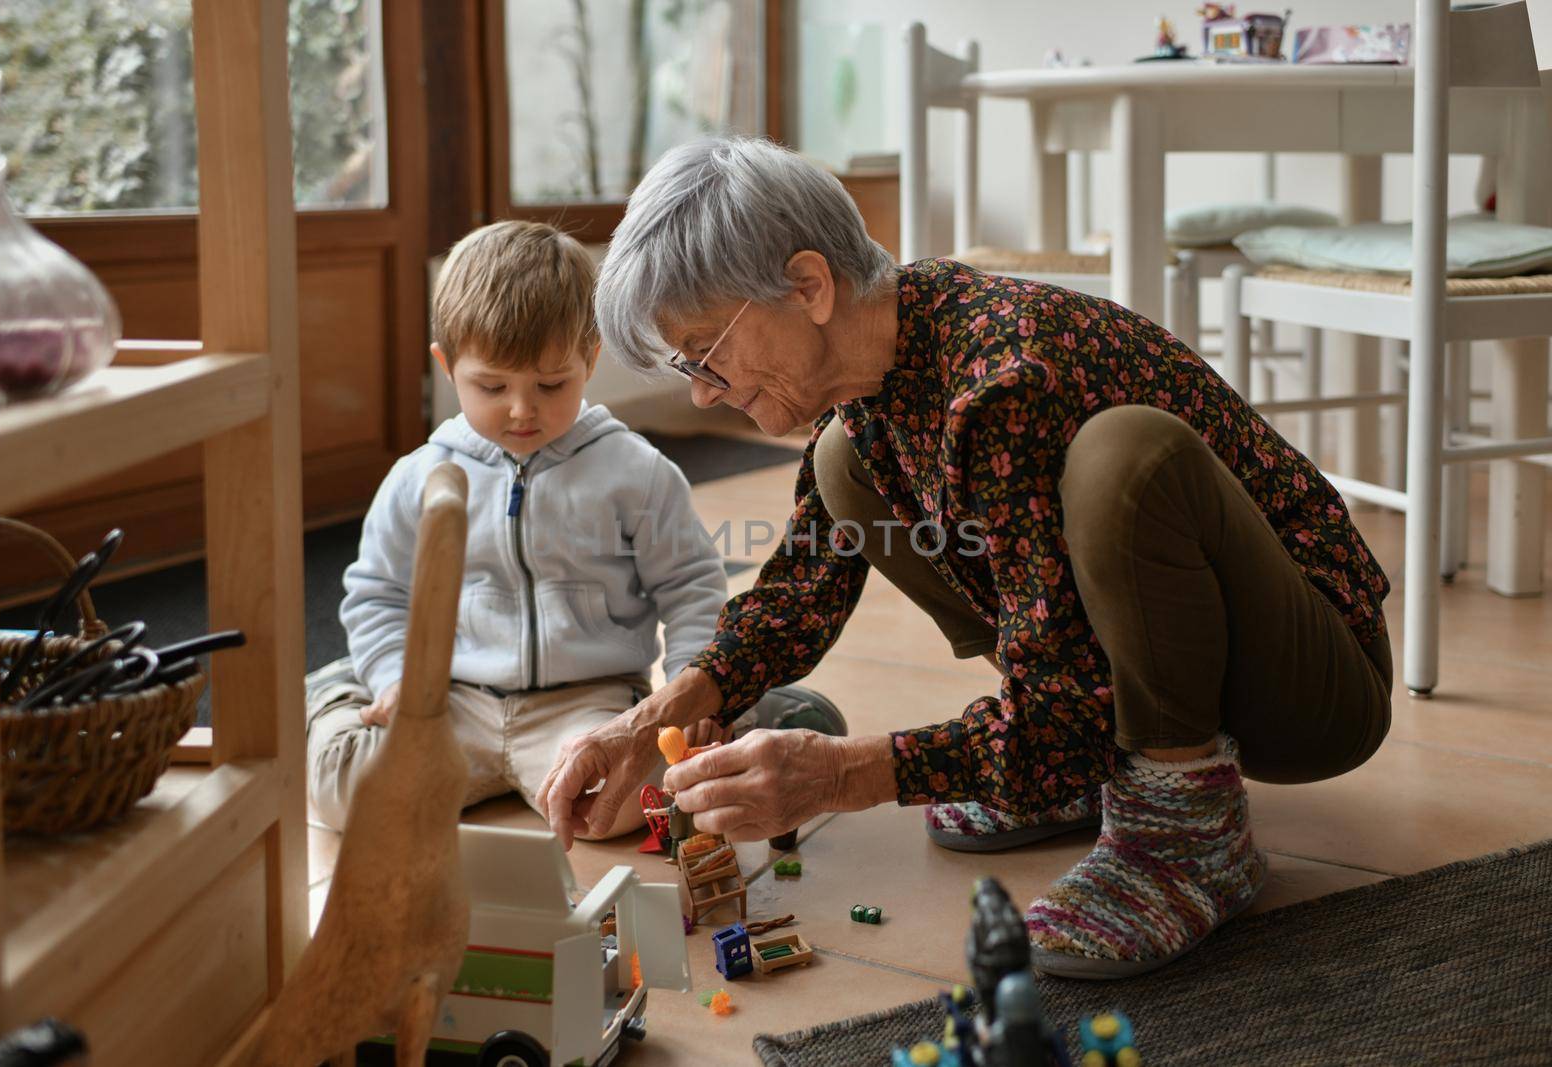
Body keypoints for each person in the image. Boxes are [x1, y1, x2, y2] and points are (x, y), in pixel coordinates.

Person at [539, 137, 1392, 978]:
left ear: (809, 286)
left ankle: (1183, 823)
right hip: (1123, 684)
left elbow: (1055, 698)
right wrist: (654, 720)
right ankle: (1088, 762)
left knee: (1122, 460)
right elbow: (800, 590)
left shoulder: (1002, 380)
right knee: (842, 466)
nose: (698, 389)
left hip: (1315, 688)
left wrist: (840, 774)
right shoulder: (874, 380)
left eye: (705, 351)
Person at [305, 220, 841, 837]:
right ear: (446, 368)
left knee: (643, 805)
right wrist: (395, 678)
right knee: (345, 794)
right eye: (491, 386)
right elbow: (378, 593)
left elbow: (692, 586)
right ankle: (337, 693)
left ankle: (760, 711)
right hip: (452, 702)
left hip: (586, 704)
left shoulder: (635, 472)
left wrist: (693, 689)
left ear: (589, 360)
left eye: (550, 384)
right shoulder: (418, 477)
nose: (521, 409)